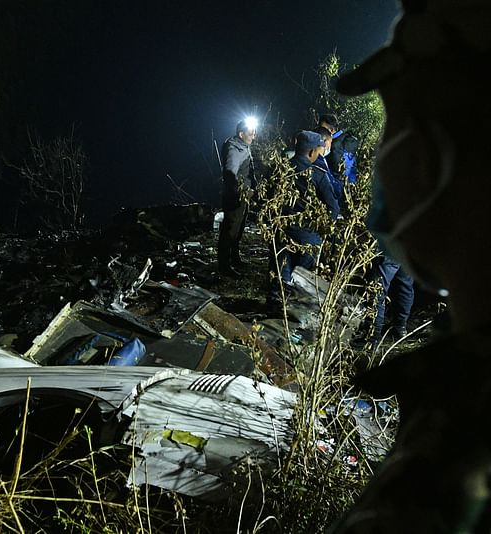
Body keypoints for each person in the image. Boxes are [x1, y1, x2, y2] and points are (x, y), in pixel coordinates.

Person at [329, 0, 491, 531]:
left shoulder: (459, 446)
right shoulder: (455, 382)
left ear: (430, 157)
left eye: (389, 136)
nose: (378, 165)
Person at [267, 130, 339, 308]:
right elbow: (333, 208)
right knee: (303, 279)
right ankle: (295, 315)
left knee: (280, 272)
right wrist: (323, 230)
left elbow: (267, 200)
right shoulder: (318, 175)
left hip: (281, 231)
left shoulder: (280, 171)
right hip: (309, 236)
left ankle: (275, 309)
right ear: (311, 152)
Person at [217, 119, 257, 278]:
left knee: (237, 229)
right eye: (250, 133)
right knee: (230, 231)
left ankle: (234, 258)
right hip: (235, 197)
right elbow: (229, 173)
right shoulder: (235, 149)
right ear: (241, 134)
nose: (253, 136)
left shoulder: (243, 146)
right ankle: (224, 266)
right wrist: (237, 192)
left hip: (243, 196)